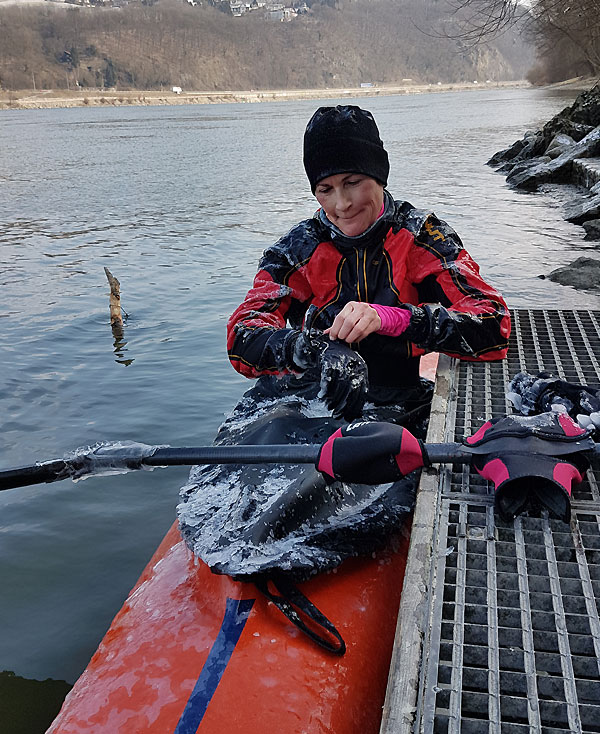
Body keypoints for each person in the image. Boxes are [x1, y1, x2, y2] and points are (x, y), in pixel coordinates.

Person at [227, 105, 511, 421]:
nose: (342, 203)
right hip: (310, 398)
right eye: (326, 189)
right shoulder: (296, 250)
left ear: (379, 176)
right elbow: (242, 335)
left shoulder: (423, 235)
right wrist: (312, 348)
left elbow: (494, 322)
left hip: (400, 397)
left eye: (353, 182)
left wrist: (393, 318)